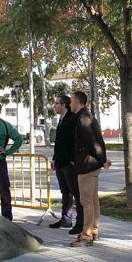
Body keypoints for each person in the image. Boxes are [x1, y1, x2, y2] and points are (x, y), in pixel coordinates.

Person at [69, 91, 111, 247]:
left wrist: (103, 159)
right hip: (91, 164)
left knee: (86, 202)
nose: (70, 104)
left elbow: (94, 143)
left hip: (87, 165)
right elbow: (98, 142)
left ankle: (86, 236)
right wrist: (102, 159)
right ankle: (93, 231)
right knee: (93, 201)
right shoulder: (87, 116)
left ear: (78, 102)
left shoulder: (83, 119)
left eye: (71, 101)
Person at [50, 95, 82, 234]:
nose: (54, 106)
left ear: (63, 105)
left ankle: (80, 223)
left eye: (56, 103)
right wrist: (54, 158)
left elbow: (75, 142)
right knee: (65, 192)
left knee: (76, 193)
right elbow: (59, 143)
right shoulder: (61, 119)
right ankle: (66, 219)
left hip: (69, 164)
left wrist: (72, 160)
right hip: (60, 163)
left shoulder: (72, 119)